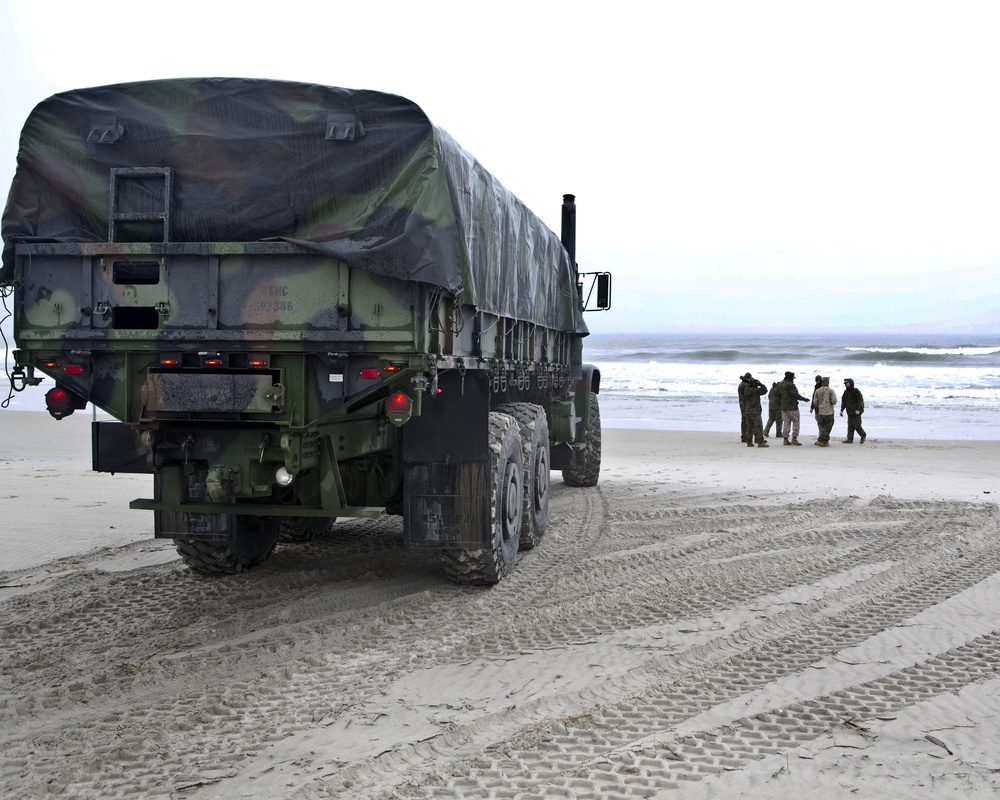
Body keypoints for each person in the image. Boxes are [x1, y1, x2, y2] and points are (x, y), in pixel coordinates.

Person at [777, 371, 810, 445]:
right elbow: (795, 394)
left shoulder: (780, 384)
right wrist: (804, 399)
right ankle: (794, 438)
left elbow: (778, 395)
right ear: (791, 378)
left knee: (786, 423)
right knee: (796, 422)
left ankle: (785, 439)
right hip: (792, 407)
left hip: (783, 406)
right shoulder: (790, 385)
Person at [738, 372, 769, 448]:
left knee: (749, 426)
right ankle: (760, 442)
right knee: (758, 426)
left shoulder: (747, 389)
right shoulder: (755, 391)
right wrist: (760, 384)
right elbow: (765, 390)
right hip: (755, 411)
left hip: (748, 409)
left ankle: (749, 442)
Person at [841, 378, 867, 443]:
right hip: (849, 411)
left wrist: (858, 409)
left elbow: (860, 401)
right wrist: (841, 410)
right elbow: (844, 402)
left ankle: (863, 435)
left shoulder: (856, 391)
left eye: (846, 383)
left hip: (856, 412)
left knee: (857, 425)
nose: (845, 385)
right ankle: (849, 439)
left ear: (851, 383)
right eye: (845, 383)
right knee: (850, 426)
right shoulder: (845, 392)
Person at [812, 376, 837, 447]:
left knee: (822, 427)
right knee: (828, 427)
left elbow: (815, 402)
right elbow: (834, 401)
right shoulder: (831, 391)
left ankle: (823, 441)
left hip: (820, 411)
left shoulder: (818, 391)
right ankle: (822, 440)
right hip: (829, 412)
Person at [738, 375, 749, 443]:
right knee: (747, 420)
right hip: (746, 404)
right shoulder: (745, 385)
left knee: (744, 420)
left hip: (742, 404)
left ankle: (744, 436)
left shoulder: (741, 385)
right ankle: (746, 436)